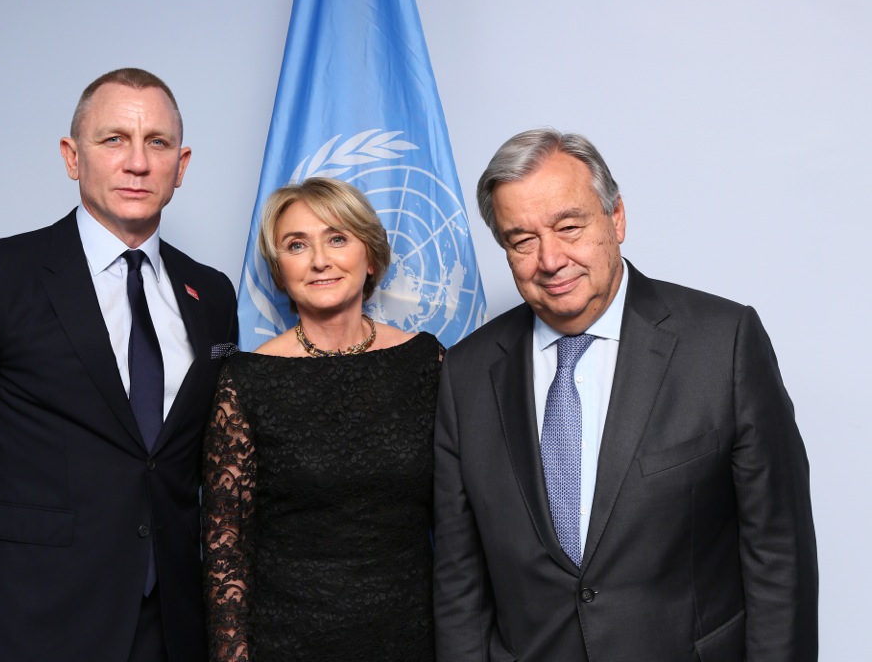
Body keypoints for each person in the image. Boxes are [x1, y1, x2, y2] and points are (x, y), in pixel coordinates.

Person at [0, 68, 238, 662]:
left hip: (171, 628)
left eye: (156, 143)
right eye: (113, 139)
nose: (137, 163)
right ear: (72, 157)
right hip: (26, 621)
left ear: (180, 166)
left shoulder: (211, 293)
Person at [433, 129, 817, 661]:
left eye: (569, 227)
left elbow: (779, 553)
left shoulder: (722, 344)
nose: (550, 259)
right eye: (522, 241)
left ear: (616, 218)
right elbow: (459, 582)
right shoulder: (466, 374)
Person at [202, 177, 443, 662]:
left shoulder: (425, 362)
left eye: (337, 238)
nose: (319, 260)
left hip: (413, 638)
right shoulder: (247, 379)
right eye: (297, 245)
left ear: (370, 256)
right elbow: (226, 546)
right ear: (280, 270)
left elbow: (465, 519)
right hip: (287, 643)